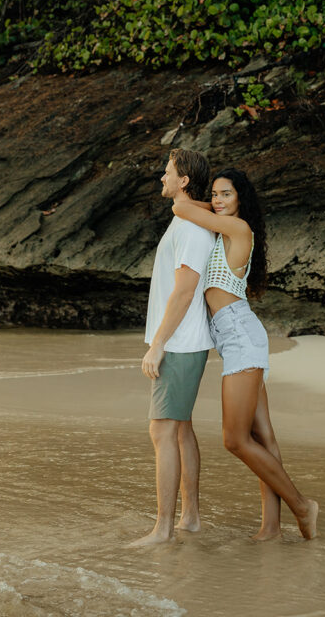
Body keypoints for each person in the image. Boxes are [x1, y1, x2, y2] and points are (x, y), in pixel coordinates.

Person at [172, 167, 318, 541]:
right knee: (263, 434)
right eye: (216, 194)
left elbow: (181, 209)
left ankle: (302, 506)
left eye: (226, 195)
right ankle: (271, 527)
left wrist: (202, 202)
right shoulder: (223, 231)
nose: (218, 201)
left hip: (240, 337)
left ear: (241, 200)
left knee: (234, 439)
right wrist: (215, 205)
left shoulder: (240, 230)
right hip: (236, 335)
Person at [129, 148, 216, 547]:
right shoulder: (186, 222)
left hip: (180, 344)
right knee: (180, 431)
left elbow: (184, 290)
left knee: (161, 431)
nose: (161, 178)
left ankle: (162, 529)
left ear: (184, 180)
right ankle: (190, 518)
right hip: (185, 342)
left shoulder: (191, 230)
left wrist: (158, 344)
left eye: (167, 172)